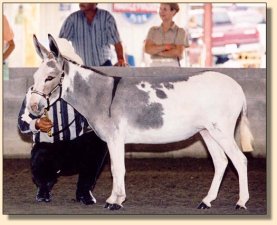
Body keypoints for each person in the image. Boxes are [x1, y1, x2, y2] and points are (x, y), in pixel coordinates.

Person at [18, 90, 108, 205]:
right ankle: (44, 187)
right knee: (40, 153)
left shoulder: (79, 90)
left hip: (73, 151)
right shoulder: (33, 92)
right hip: (47, 150)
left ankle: (84, 190)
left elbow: (91, 121)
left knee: (100, 138)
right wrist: (36, 123)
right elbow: (22, 123)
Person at [59, 3, 127, 67]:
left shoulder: (106, 17)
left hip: (104, 66)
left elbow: (117, 42)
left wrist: (121, 59)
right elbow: (60, 43)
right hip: (82, 68)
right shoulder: (72, 19)